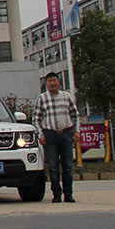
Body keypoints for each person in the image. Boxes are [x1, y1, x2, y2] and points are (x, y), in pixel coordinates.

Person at [35, 72, 80, 203]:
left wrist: (77, 131)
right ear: (46, 84)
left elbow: (75, 115)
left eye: (54, 80)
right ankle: (56, 194)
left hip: (66, 134)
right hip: (50, 136)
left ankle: (68, 194)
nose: (52, 83)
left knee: (68, 166)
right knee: (53, 167)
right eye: (49, 81)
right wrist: (41, 135)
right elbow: (36, 119)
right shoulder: (42, 98)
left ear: (59, 82)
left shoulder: (66, 96)